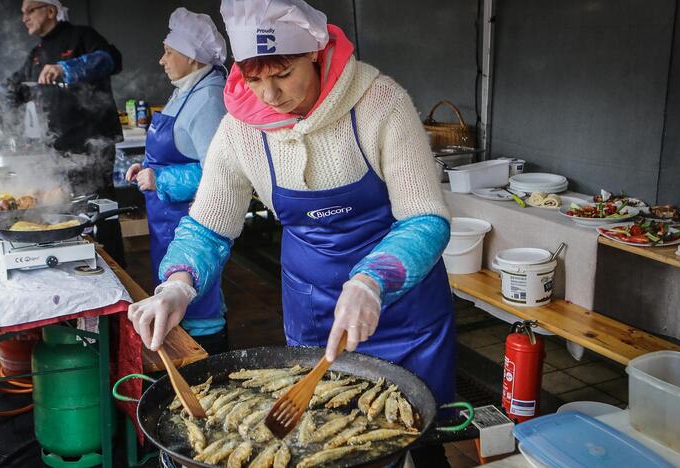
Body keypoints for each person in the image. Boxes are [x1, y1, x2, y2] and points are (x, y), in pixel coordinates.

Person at [128, 0, 456, 464]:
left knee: (416, 441)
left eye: (283, 74)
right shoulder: (240, 128)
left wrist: (370, 282)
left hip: (403, 309)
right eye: (254, 78)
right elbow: (206, 226)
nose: (269, 95)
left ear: (316, 55)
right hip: (313, 308)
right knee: (318, 441)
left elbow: (425, 218)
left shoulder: (380, 103)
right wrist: (178, 284)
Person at [0, 0, 127, 265]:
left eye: (30, 10)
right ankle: (76, 263)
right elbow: (14, 91)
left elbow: (110, 60)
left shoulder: (82, 36)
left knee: (98, 207)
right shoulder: (36, 53)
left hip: (93, 142)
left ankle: (115, 267)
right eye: (23, 13)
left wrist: (67, 68)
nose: (24, 17)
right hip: (57, 146)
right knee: (63, 208)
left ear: (50, 11)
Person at [125, 8, 229, 354]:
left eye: (168, 52)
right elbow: (178, 149)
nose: (162, 59)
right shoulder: (186, 89)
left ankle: (205, 358)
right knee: (176, 289)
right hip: (166, 219)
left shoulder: (208, 99)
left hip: (191, 219)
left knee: (197, 297)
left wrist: (162, 178)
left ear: (190, 56)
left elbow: (222, 174)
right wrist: (146, 168)